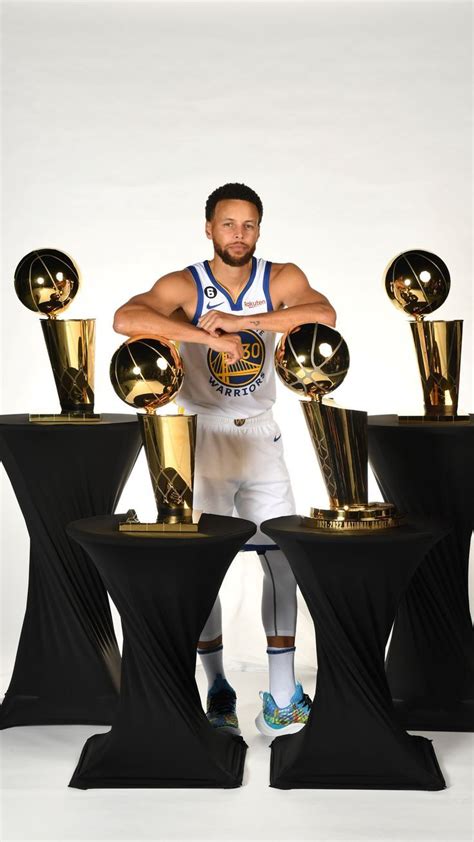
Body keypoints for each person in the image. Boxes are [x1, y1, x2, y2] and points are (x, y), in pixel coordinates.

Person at [113, 182, 336, 736]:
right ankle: (217, 687)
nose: (239, 234)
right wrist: (201, 337)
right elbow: (125, 318)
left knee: (281, 558)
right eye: (228, 224)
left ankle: (282, 694)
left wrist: (242, 324)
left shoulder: (279, 277)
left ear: (259, 229)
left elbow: (323, 314)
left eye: (249, 225)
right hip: (203, 438)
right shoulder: (185, 284)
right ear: (208, 227)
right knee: (201, 567)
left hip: (261, 437)